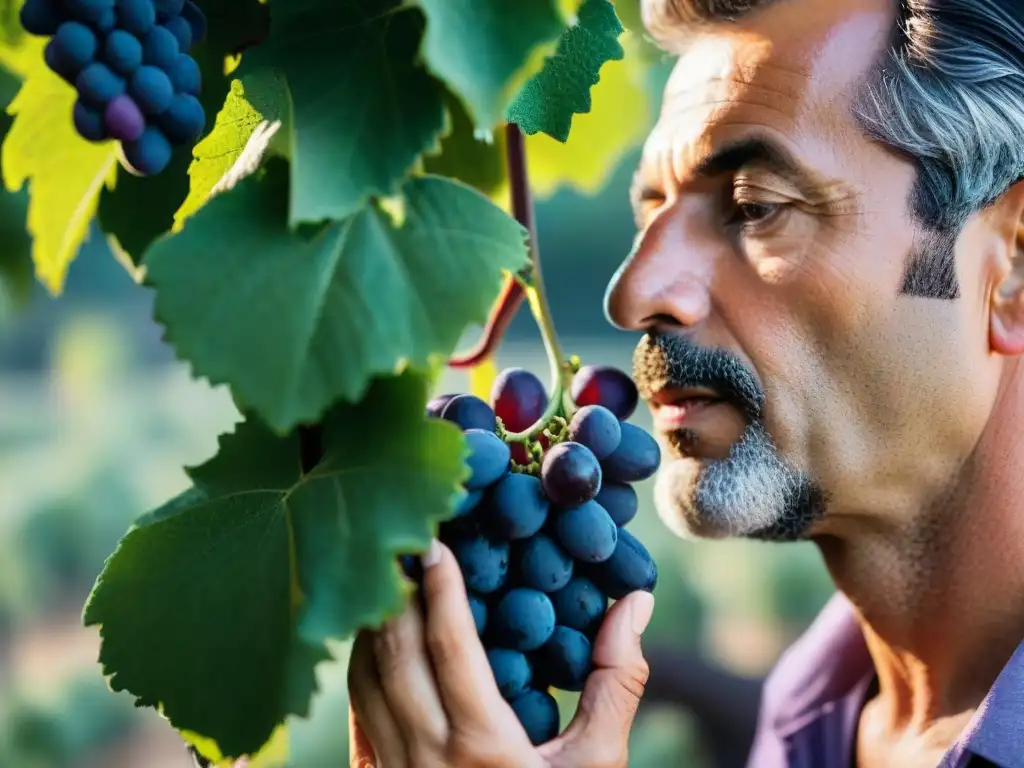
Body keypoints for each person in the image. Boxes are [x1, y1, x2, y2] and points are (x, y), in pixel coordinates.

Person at [345, 0, 1024, 765]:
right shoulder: (806, 718)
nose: (633, 293)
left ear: (1011, 273)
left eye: (754, 207)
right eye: (650, 216)